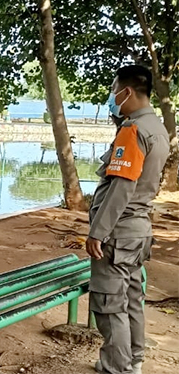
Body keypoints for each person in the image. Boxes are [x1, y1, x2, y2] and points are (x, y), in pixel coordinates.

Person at [87, 65, 168, 374]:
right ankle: (132, 361)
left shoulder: (133, 130)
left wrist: (98, 231)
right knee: (132, 298)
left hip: (119, 232)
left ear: (128, 92)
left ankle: (115, 368)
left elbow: (122, 186)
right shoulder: (157, 128)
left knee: (110, 305)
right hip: (139, 231)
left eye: (113, 89)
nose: (112, 97)